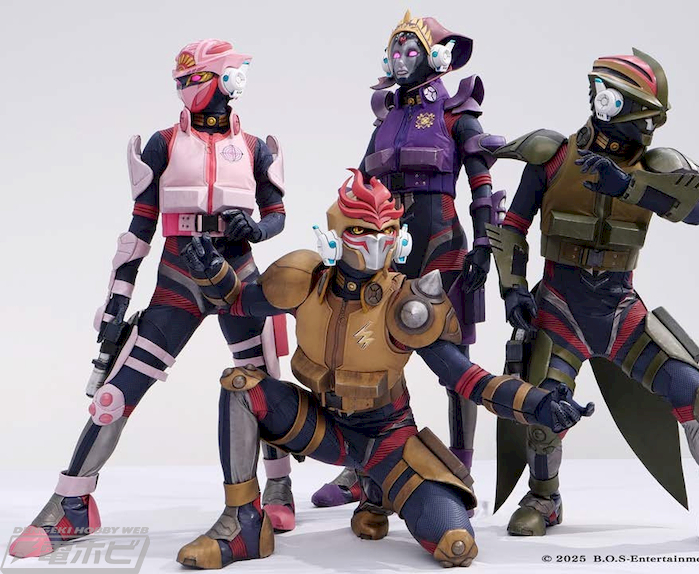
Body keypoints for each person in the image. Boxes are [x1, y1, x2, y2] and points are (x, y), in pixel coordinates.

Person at [175, 169, 593, 568]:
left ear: (400, 238)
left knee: (456, 544)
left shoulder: (408, 304)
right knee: (241, 386)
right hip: (323, 428)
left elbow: (466, 378)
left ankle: (380, 491)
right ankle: (244, 525)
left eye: (387, 230)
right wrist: (214, 274)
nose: (376, 242)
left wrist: (539, 404)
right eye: (361, 230)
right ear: (335, 235)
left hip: (387, 440)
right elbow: (239, 302)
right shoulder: (304, 281)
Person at [487, 48, 699, 557]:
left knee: (696, 394)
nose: (646, 129)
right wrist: (513, 287)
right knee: (544, 403)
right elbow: (513, 226)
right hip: (559, 308)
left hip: (620, 311)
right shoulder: (553, 155)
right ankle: (544, 498)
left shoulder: (655, 166)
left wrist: (629, 186)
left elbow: (697, 212)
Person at [10, 39, 292, 559]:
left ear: (228, 79)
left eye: (197, 78)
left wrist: (256, 228)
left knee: (264, 378)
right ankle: (72, 504)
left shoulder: (256, 147)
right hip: (178, 280)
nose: (187, 89)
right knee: (116, 393)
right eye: (182, 81)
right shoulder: (163, 144)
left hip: (239, 277)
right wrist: (117, 298)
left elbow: (276, 214)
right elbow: (138, 230)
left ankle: (277, 485)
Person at [312, 9, 507, 511]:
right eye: (394, 51)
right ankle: (362, 469)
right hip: (384, 250)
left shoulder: (456, 114)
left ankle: (460, 469)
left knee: (454, 362)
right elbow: (358, 186)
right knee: (366, 356)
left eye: (410, 50)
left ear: (434, 56)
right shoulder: (386, 118)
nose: (400, 59)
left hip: (442, 248)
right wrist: (341, 245)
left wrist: (485, 245)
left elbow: (483, 186)